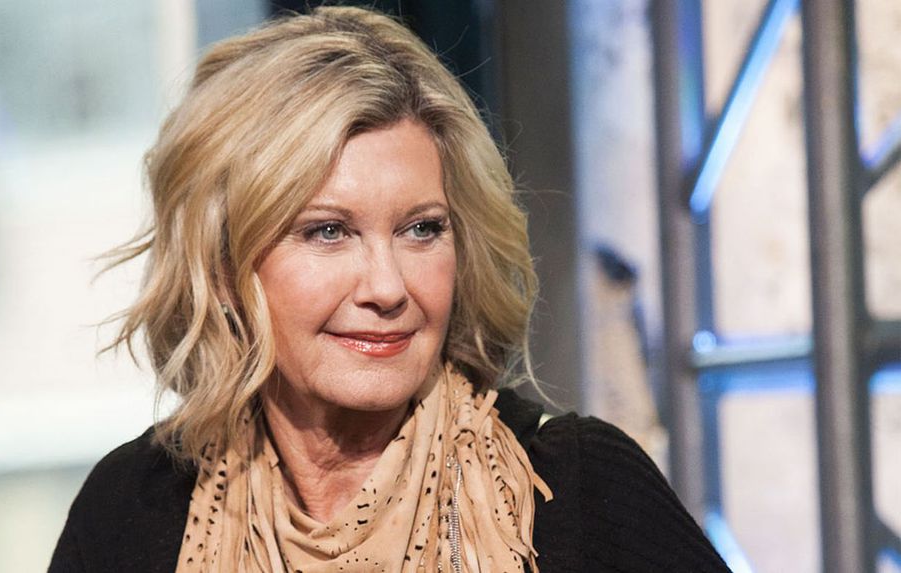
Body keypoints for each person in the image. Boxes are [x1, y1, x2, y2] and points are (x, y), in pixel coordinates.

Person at [50, 7, 730, 572]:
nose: (387, 286)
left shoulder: (580, 489)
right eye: (327, 231)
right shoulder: (133, 507)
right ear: (223, 268)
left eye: (421, 229)